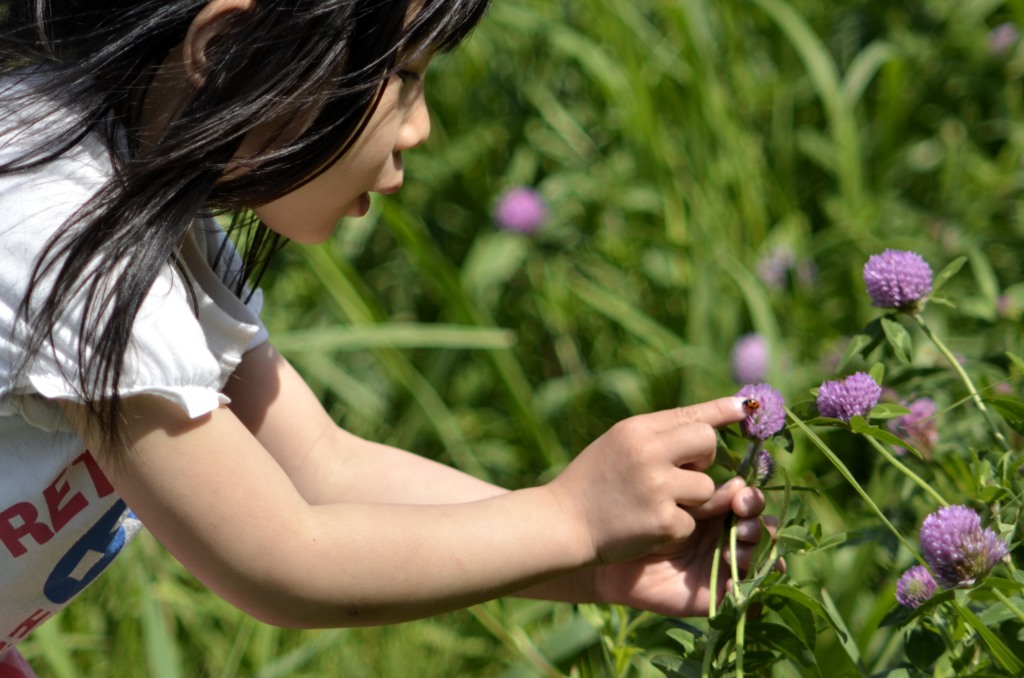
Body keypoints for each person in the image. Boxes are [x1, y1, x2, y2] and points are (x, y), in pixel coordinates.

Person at [0, 0, 774, 672]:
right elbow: (285, 558)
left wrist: (597, 555)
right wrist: (570, 519)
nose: (422, 125)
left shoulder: (151, 222)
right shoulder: (57, 236)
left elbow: (325, 469)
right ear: (229, 51)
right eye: (402, 74)